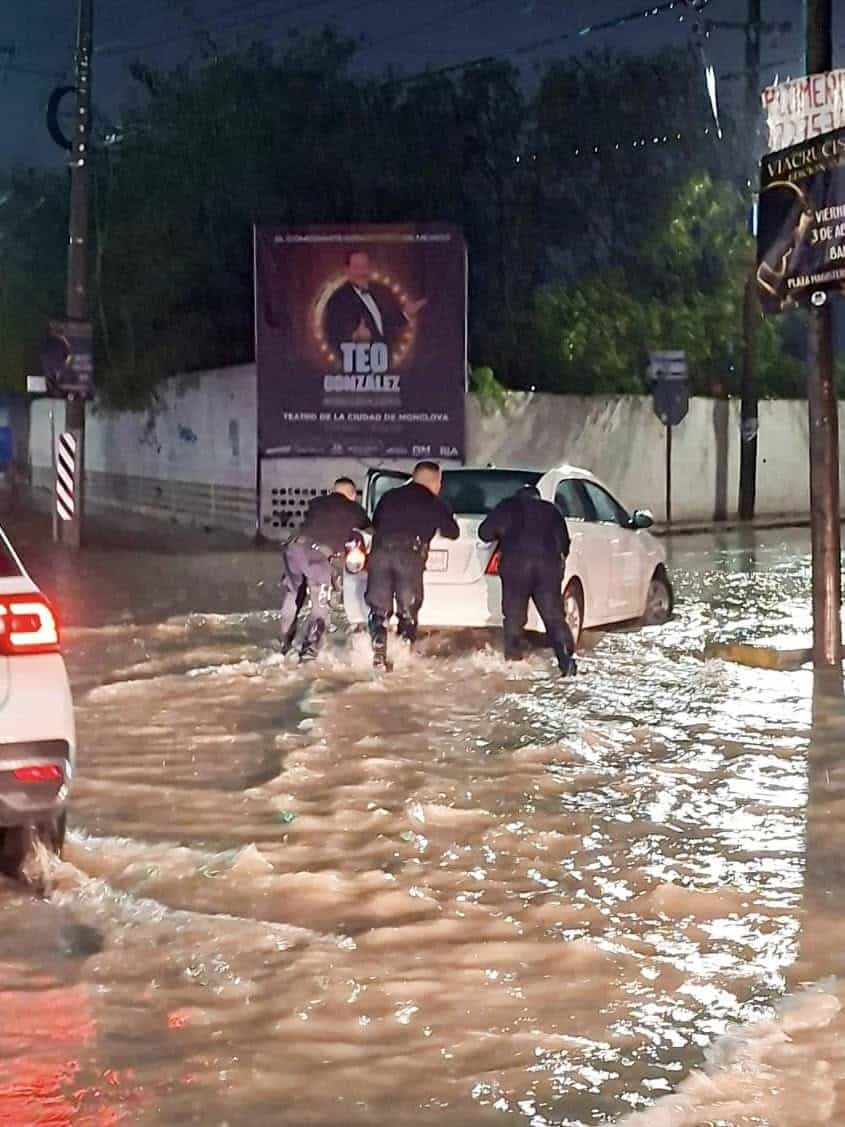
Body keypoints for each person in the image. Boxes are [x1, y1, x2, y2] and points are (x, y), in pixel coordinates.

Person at [365, 461, 459, 670]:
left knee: (378, 610)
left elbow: (375, 524)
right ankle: (401, 657)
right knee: (407, 611)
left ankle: (378, 653)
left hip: (379, 553)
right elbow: (452, 532)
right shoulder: (434, 502)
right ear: (434, 482)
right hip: (409, 556)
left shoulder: (389, 496)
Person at [479, 484, 577, 677]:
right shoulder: (552, 510)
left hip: (516, 566)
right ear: (538, 497)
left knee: (514, 619)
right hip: (548, 568)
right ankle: (567, 663)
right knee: (554, 618)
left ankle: (514, 666)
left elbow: (484, 533)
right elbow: (564, 544)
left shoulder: (508, 506)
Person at [280, 478, 370, 662]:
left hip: (294, 548)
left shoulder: (318, 503)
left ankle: (284, 644)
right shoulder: (355, 509)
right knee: (320, 606)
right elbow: (369, 531)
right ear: (353, 495)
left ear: (332, 491)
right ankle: (309, 653)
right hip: (318, 557)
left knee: (292, 594)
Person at [323, 248, 427, 362]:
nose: (362, 272)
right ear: (347, 270)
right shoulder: (337, 299)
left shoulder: (378, 292)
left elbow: (384, 323)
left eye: (365, 267)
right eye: (357, 267)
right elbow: (332, 333)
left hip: (383, 363)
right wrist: (354, 336)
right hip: (356, 366)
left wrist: (406, 313)